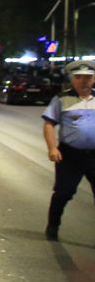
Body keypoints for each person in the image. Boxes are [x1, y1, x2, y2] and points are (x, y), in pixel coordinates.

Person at [41, 59, 95, 240]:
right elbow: (49, 124)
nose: (83, 81)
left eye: (88, 77)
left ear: (94, 79)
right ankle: (53, 225)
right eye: (79, 77)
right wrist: (52, 148)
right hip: (70, 154)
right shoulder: (62, 99)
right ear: (73, 79)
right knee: (64, 192)